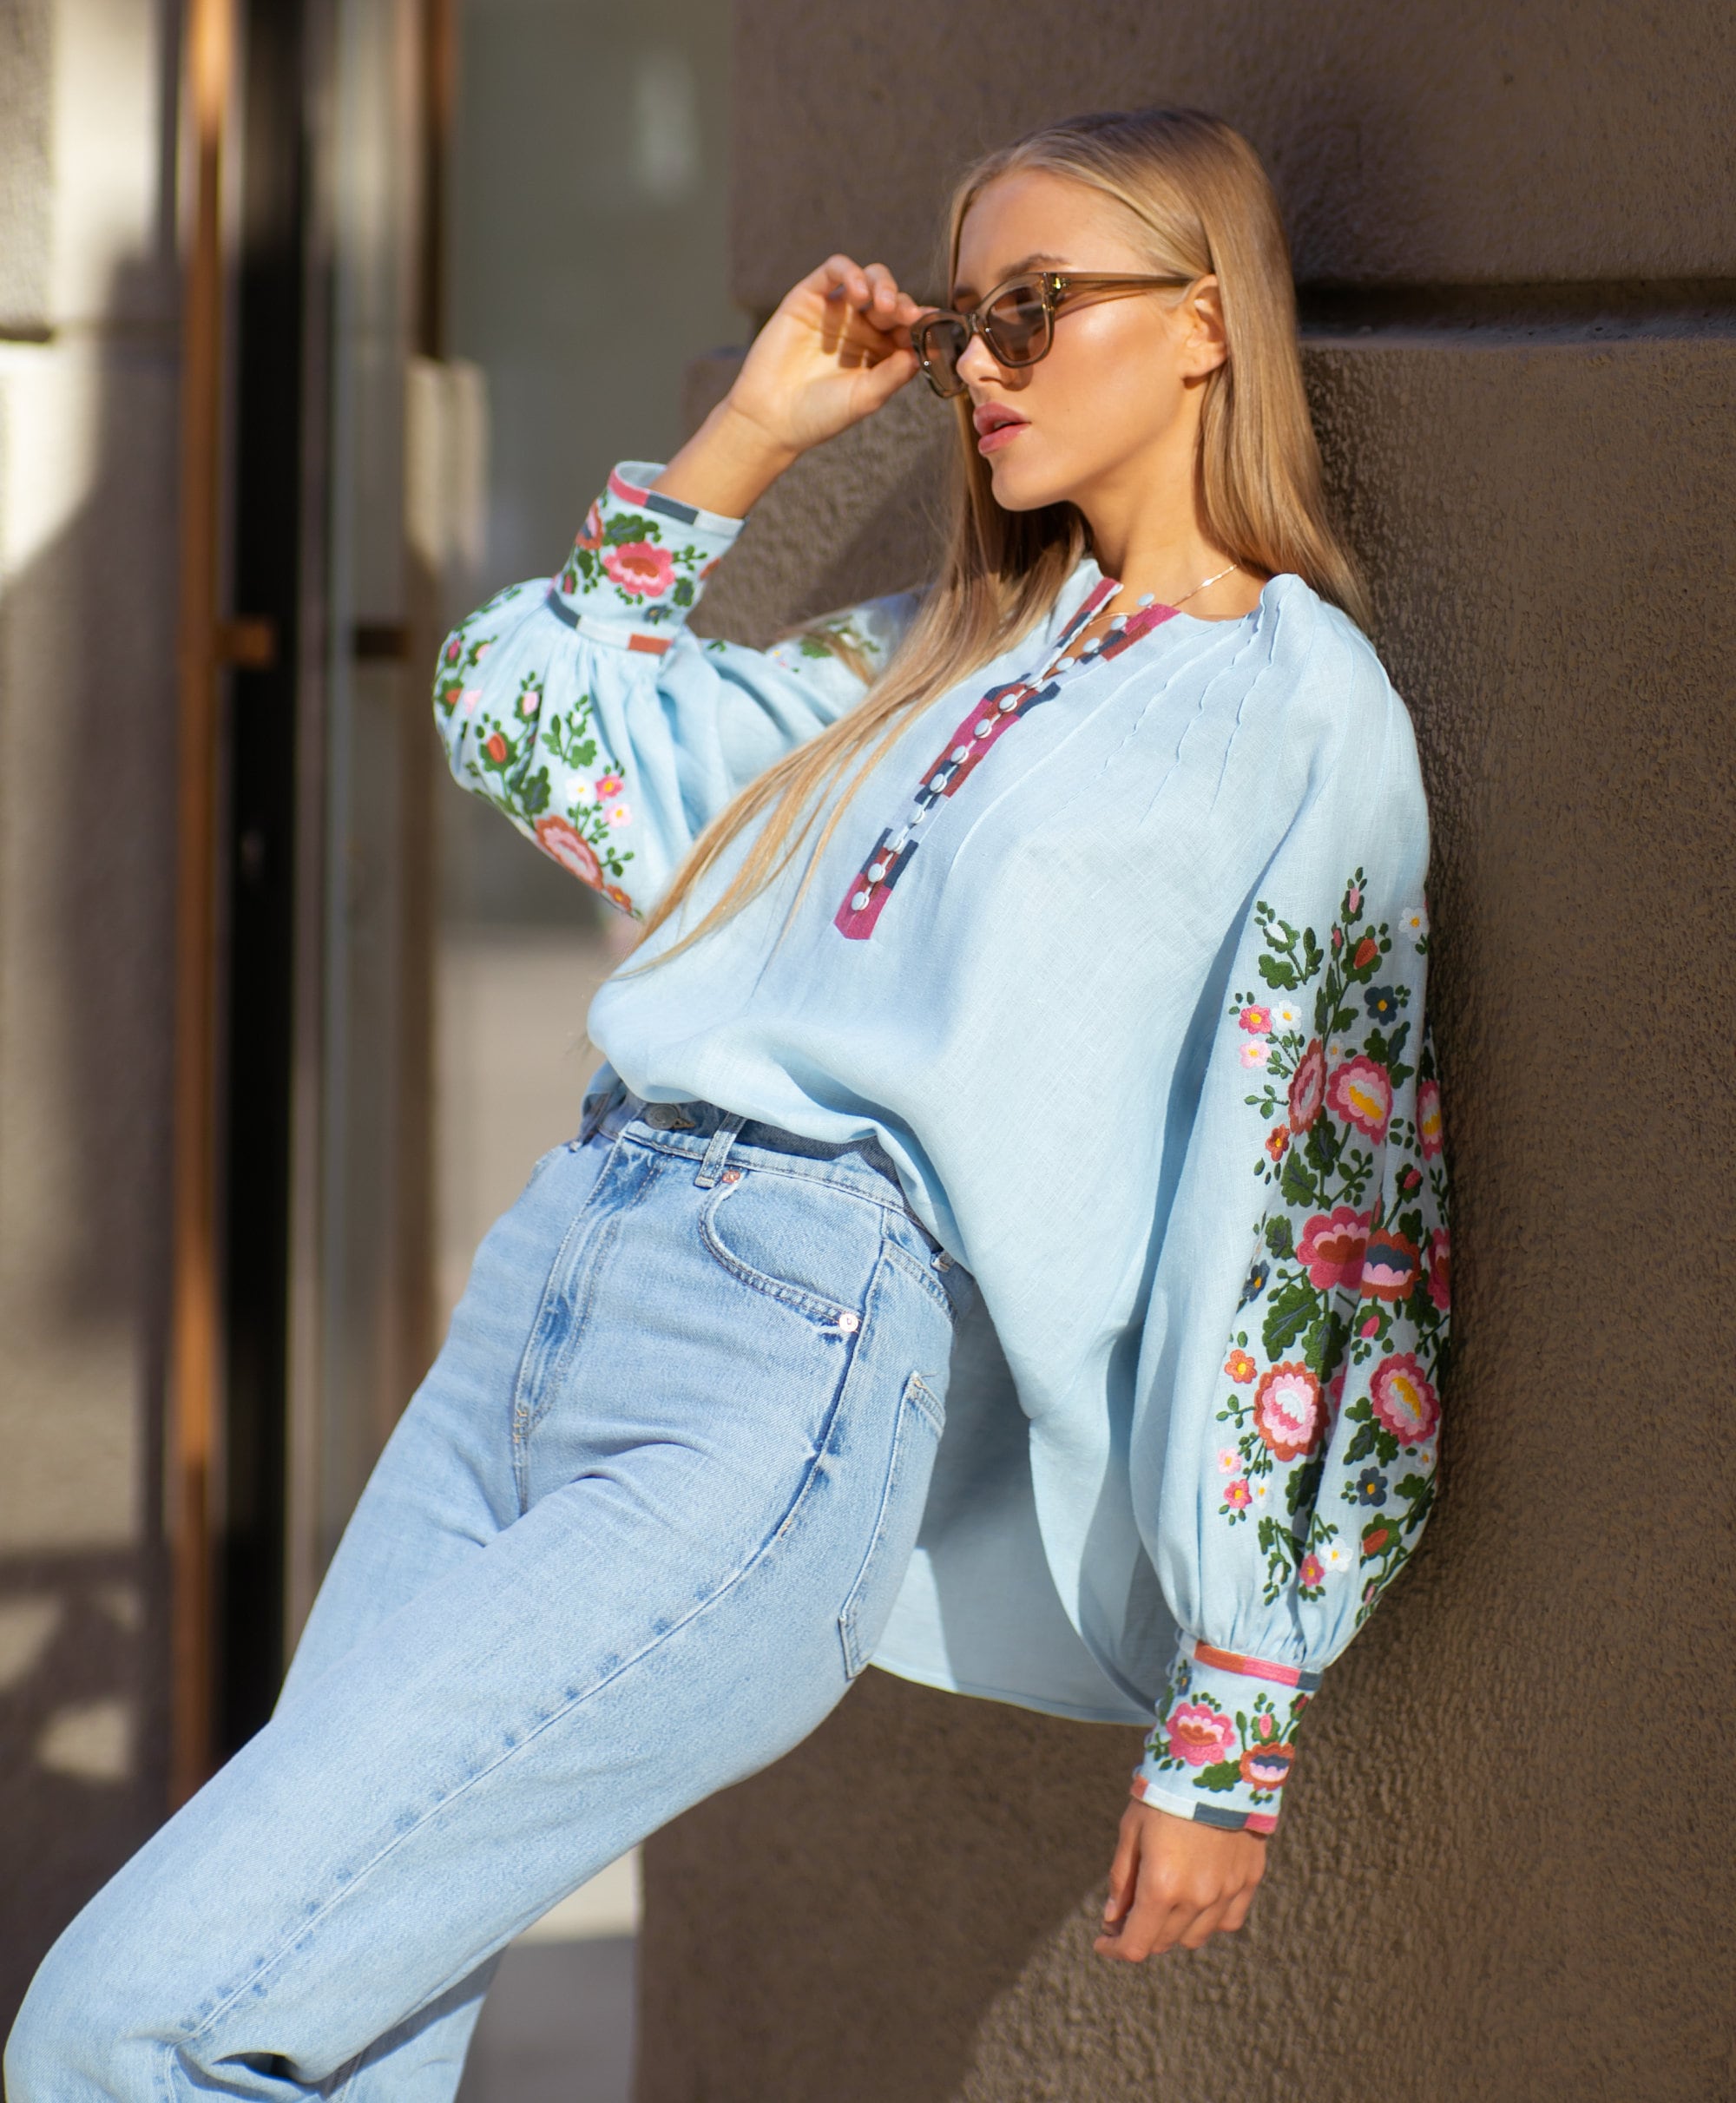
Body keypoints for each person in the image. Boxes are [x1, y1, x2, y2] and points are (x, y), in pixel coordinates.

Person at [8, 107, 1449, 2100]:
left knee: (127, 2024)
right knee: (327, 2038)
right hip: (544, 1294)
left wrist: (1238, 1701)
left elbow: (1311, 1195)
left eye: (1034, 310)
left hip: (796, 1372)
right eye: (966, 324)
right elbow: (525, 712)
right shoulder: (917, 654)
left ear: (1205, 324)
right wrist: (758, 437)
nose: (983, 365)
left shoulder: (1296, 711)